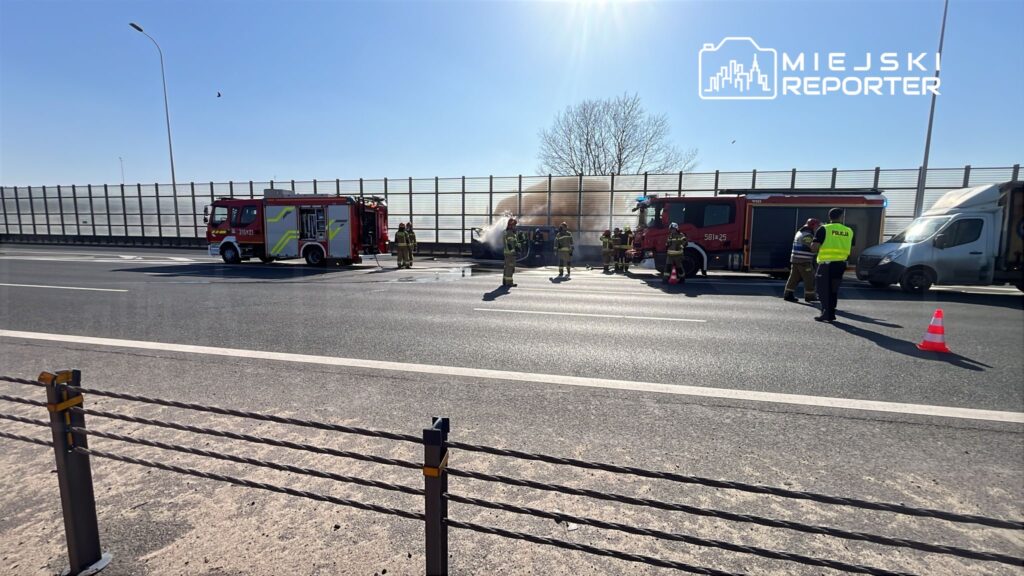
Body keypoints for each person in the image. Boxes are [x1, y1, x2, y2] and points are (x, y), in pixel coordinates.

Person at [811, 208, 854, 323]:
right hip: (840, 265)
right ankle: (831, 312)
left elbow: (814, 247)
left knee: (822, 289)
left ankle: (827, 313)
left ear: (829, 217)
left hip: (826, 265)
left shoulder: (824, 229)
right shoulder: (849, 231)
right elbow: (851, 247)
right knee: (833, 289)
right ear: (841, 217)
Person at [783, 218, 820, 303]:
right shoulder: (808, 235)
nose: (818, 228)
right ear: (813, 226)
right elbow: (812, 248)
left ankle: (788, 294)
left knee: (793, 278)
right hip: (804, 261)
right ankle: (810, 296)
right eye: (817, 226)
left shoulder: (800, 232)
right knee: (810, 278)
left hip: (795, 259)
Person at [502, 218, 520, 287]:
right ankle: (509, 282)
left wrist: (517, 246)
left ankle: (505, 281)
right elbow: (509, 244)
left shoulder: (507, 232)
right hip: (510, 254)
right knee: (510, 268)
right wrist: (513, 251)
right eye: (514, 225)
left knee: (506, 267)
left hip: (507, 253)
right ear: (511, 226)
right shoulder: (510, 233)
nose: (515, 227)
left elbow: (512, 243)